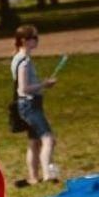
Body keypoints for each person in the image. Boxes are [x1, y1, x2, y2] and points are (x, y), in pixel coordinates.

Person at [11, 25, 59, 187]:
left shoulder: (18, 58)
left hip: (27, 104)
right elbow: (23, 88)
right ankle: (48, 175)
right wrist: (44, 84)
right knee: (48, 139)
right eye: (34, 38)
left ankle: (33, 177)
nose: (37, 41)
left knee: (34, 141)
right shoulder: (24, 62)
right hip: (29, 105)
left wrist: (42, 84)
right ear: (25, 41)